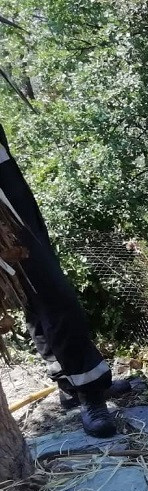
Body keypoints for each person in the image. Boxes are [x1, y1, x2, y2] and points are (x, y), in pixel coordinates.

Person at [0, 122, 132, 438]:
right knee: (52, 292)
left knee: (38, 290)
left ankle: (71, 383)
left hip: (4, 175)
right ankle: (89, 394)